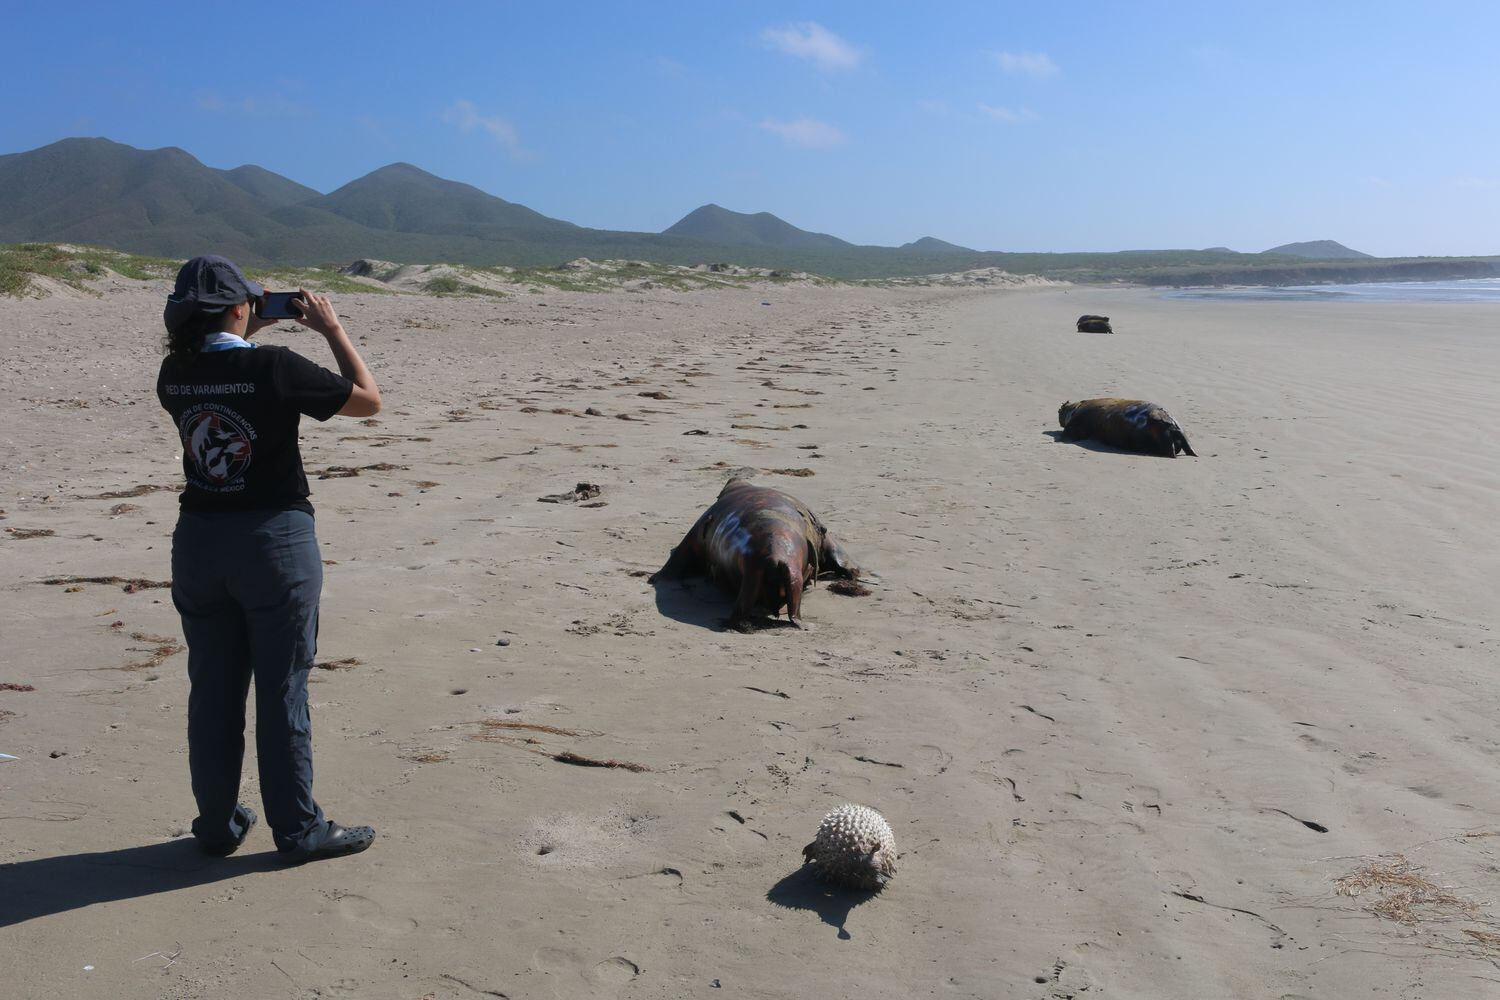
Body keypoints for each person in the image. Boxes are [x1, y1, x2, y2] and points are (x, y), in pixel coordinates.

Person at [157, 255, 381, 862]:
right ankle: (298, 828)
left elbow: (221, 360)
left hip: (200, 541)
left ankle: (217, 823)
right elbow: (368, 401)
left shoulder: (173, 374)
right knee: (281, 688)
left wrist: (242, 320)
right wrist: (331, 329)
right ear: (240, 308)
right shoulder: (274, 366)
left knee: (214, 690)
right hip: (273, 542)